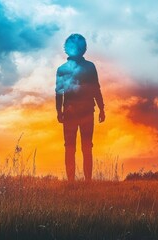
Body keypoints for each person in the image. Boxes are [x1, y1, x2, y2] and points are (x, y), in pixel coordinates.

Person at [55, 33, 105, 181]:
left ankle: (73, 181)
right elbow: (96, 88)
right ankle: (86, 181)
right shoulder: (89, 66)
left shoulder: (62, 68)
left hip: (73, 112)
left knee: (71, 147)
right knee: (85, 147)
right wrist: (101, 108)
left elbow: (59, 92)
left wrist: (59, 111)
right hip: (86, 112)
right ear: (84, 49)